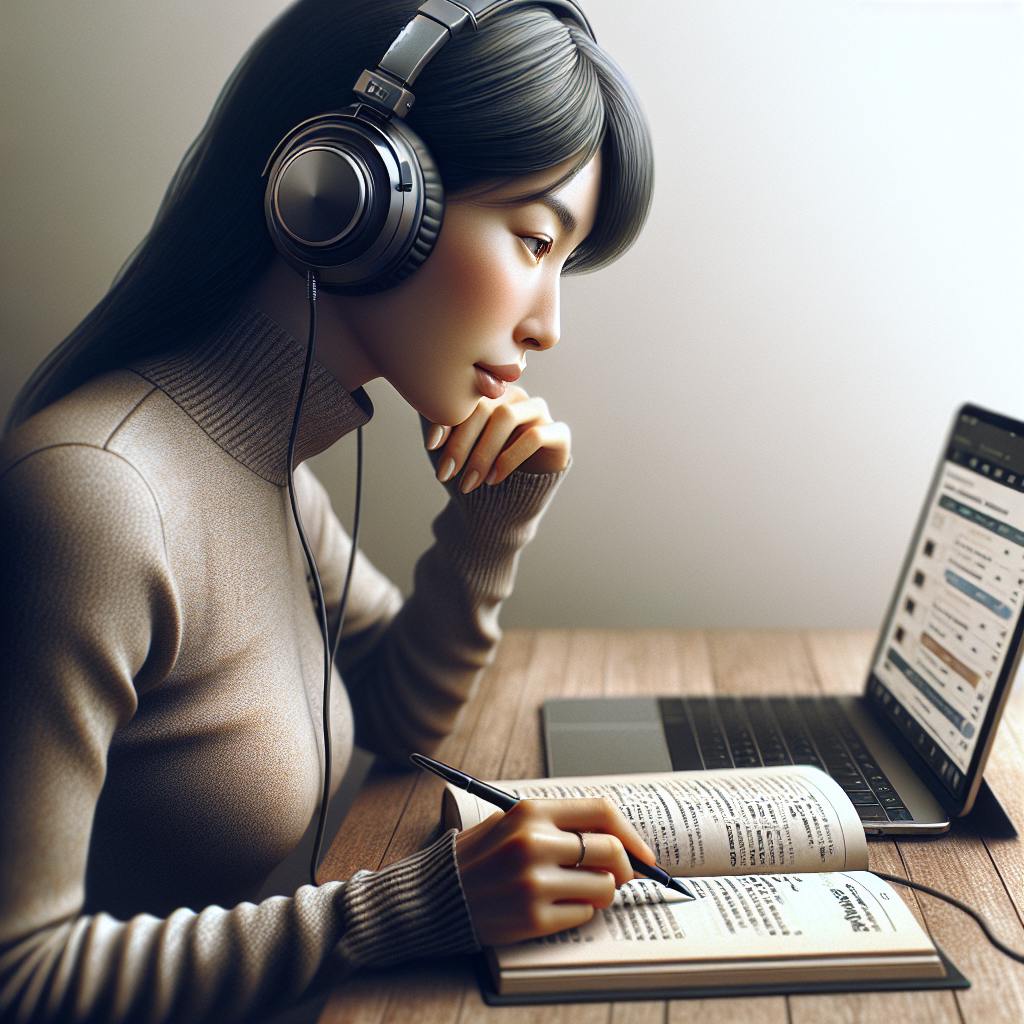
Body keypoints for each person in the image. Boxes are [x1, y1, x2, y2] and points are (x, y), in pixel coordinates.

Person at [0, 1, 654, 1020]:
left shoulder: (269, 468)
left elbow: (394, 715)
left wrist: (490, 526)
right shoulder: (98, 495)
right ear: (350, 196)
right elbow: (19, 977)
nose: (548, 324)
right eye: (534, 241)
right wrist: (399, 909)